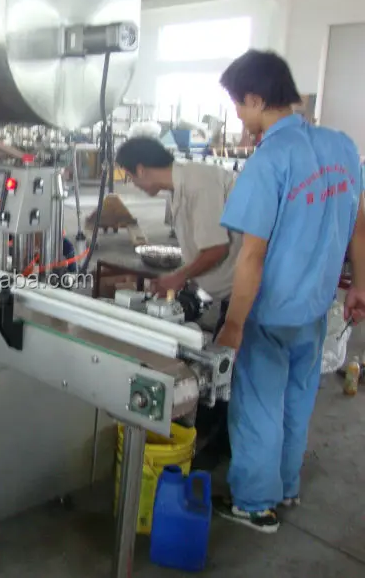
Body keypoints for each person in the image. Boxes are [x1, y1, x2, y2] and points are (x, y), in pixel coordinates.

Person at [213, 49, 365, 534]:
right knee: (298, 398)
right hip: (317, 306)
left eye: (239, 104)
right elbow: (359, 223)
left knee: (259, 404)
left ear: (257, 99)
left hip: (272, 311)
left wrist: (233, 325)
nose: (239, 115)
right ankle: (286, 486)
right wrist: (360, 285)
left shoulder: (270, 161)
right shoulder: (342, 146)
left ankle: (255, 504)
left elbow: (251, 257)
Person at [115, 137, 241, 456]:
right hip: (226, 287)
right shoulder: (180, 188)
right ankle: (211, 434)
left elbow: (216, 249)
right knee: (222, 364)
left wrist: (179, 276)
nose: (132, 184)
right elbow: (200, 247)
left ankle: (222, 444)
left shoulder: (199, 184)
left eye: (130, 176)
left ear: (141, 169)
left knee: (229, 368)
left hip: (248, 289)